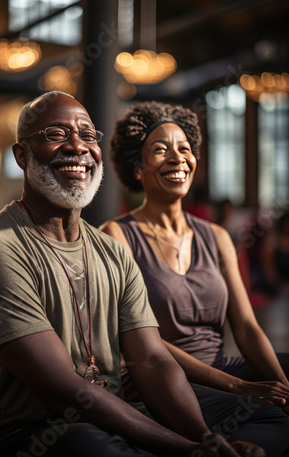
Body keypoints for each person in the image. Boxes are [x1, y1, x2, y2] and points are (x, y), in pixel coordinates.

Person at [0, 91, 263, 457]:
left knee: (270, 413)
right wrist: (187, 449)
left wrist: (205, 439)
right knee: (89, 445)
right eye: (55, 134)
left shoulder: (112, 252)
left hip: (112, 415)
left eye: (88, 135)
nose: (77, 146)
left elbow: (152, 360)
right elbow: (67, 390)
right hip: (33, 433)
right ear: (22, 155)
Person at [100, 101, 289, 457]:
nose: (176, 158)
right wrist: (239, 386)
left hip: (217, 363)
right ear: (138, 169)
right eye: (160, 150)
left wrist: (281, 386)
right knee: (268, 416)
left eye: (184, 149)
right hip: (160, 377)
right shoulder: (116, 235)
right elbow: (142, 341)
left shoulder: (216, 236)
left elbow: (246, 326)